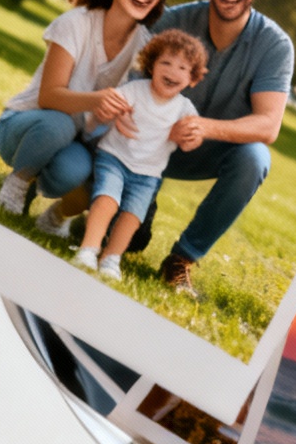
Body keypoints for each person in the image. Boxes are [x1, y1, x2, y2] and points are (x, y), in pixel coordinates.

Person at [133, 0, 294, 297]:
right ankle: (133, 210)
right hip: (152, 143)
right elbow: (132, 90)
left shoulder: (275, 45)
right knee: (127, 240)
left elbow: (268, 125)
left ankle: (181, 259)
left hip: (214, 149)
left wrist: (203, 127)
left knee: (255, 157)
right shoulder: (171, 22)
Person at [0, 0, 170, 219]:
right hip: (25, 127)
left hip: (75, 141)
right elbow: (49, 97)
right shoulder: (76, 23)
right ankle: (16, 184)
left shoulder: (145, 49)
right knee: (58, 123)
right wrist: (98, 100)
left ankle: (55, 217)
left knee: (80, 169)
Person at [71, 31, 208, 280]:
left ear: (192, 78)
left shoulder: (185, 109)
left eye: (183, 68)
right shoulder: (135, 90)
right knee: (107, 200)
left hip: (148, 174)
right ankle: (88, 249)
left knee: (133, 216)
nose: (173, 71)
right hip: (114, 158)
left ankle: (111, 258)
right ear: (151, 65)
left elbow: (192, 140)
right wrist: (111, 113)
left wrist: (189, 139)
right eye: (166, 62)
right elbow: (108, 108)